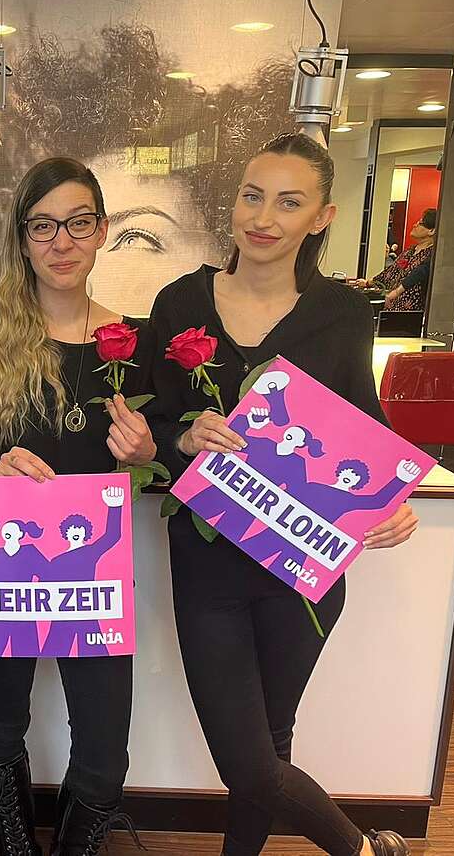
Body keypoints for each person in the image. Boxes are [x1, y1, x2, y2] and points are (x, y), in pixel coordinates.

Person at [146, 132, 419, 856]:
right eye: (252, 196)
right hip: (208, 564)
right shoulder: (179, 302)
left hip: (303, 567)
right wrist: (182, 437)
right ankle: (363, 850)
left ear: (322, 217)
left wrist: (393, 500)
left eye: (289, 203)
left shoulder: (343, 314)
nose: (263, 218)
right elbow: (150, 422)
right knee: (249, 761)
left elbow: (367, 424)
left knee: (270, 743)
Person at [0, 156, 157, 855]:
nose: (61, 242)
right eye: (43, 226)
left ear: (102, 231)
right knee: (0, 723)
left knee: (104, 750)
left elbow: (164, 462)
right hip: (3, 565)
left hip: (91, 573)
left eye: (78, 223)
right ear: (22, 237)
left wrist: (145, 451)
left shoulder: (133, 344)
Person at [0, 21, 295, 320]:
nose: (68, 252)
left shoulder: (156, 358)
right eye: (44, 227)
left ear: (219, 252)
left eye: (134, 238)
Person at [358, 208, 437, 311]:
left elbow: (418, 274)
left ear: (431, 231)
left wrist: (395, 293)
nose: (415, 225)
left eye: (420, 223)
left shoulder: (432, 254)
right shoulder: (410, 251)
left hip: (411, 310)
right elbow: (392, 272)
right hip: (392, 306)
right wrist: (368, 282)